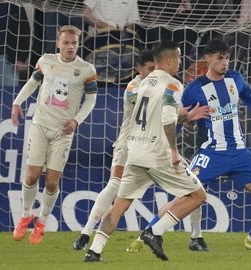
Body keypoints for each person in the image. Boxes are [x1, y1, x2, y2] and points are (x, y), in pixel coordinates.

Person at [84, 41, 208, 262]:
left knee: (119, 205)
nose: (180, 62)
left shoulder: (140, 83)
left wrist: (185, 116)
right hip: (157, 153)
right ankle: (155, 231)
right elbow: (167, 118)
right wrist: (173, 151)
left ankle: (94, 250)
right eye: (179, 58)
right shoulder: (173, 84)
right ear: (169, 60)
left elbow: (153, 114)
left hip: (135, 151)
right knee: (197, 195)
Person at [182, 39, 251, 252]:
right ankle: (195, 236)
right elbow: (183, 117)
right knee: (191, 194)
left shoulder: (235, 79)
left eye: (227, 57)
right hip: (209, 149)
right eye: (220, 57)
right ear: (208, 59)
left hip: (238, 151)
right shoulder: (193, 89)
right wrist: (186, 125)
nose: (225, 62)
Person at [11, 25, 98, 245]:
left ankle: (41, 222)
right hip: (40, 125)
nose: (70, 46)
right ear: (58, 43)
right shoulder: (46, 61)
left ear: (78, 44)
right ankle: (25, 215)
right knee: (31, 176)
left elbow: (91, 99)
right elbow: (33, 82)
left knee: (51, 182)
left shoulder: (86, 69)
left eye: (74, 43)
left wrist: (77, 120)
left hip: (63, 131)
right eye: (66, 42)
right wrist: (17, 102)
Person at [72, 49, 156, 250]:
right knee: (115, 187)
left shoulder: (156, 84)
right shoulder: (134, 86)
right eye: (150, 69)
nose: (153, 73)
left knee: (120, 193)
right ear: (139, 69)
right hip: (129, 143)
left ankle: (89, 234)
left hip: (147, 145)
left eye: (156, 69)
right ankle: (87, 232)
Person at [0, 0, 30, 88]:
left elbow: (25, 32)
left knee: (11, 94)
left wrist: (21, 58)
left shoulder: (16, 6)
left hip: (10, 60)